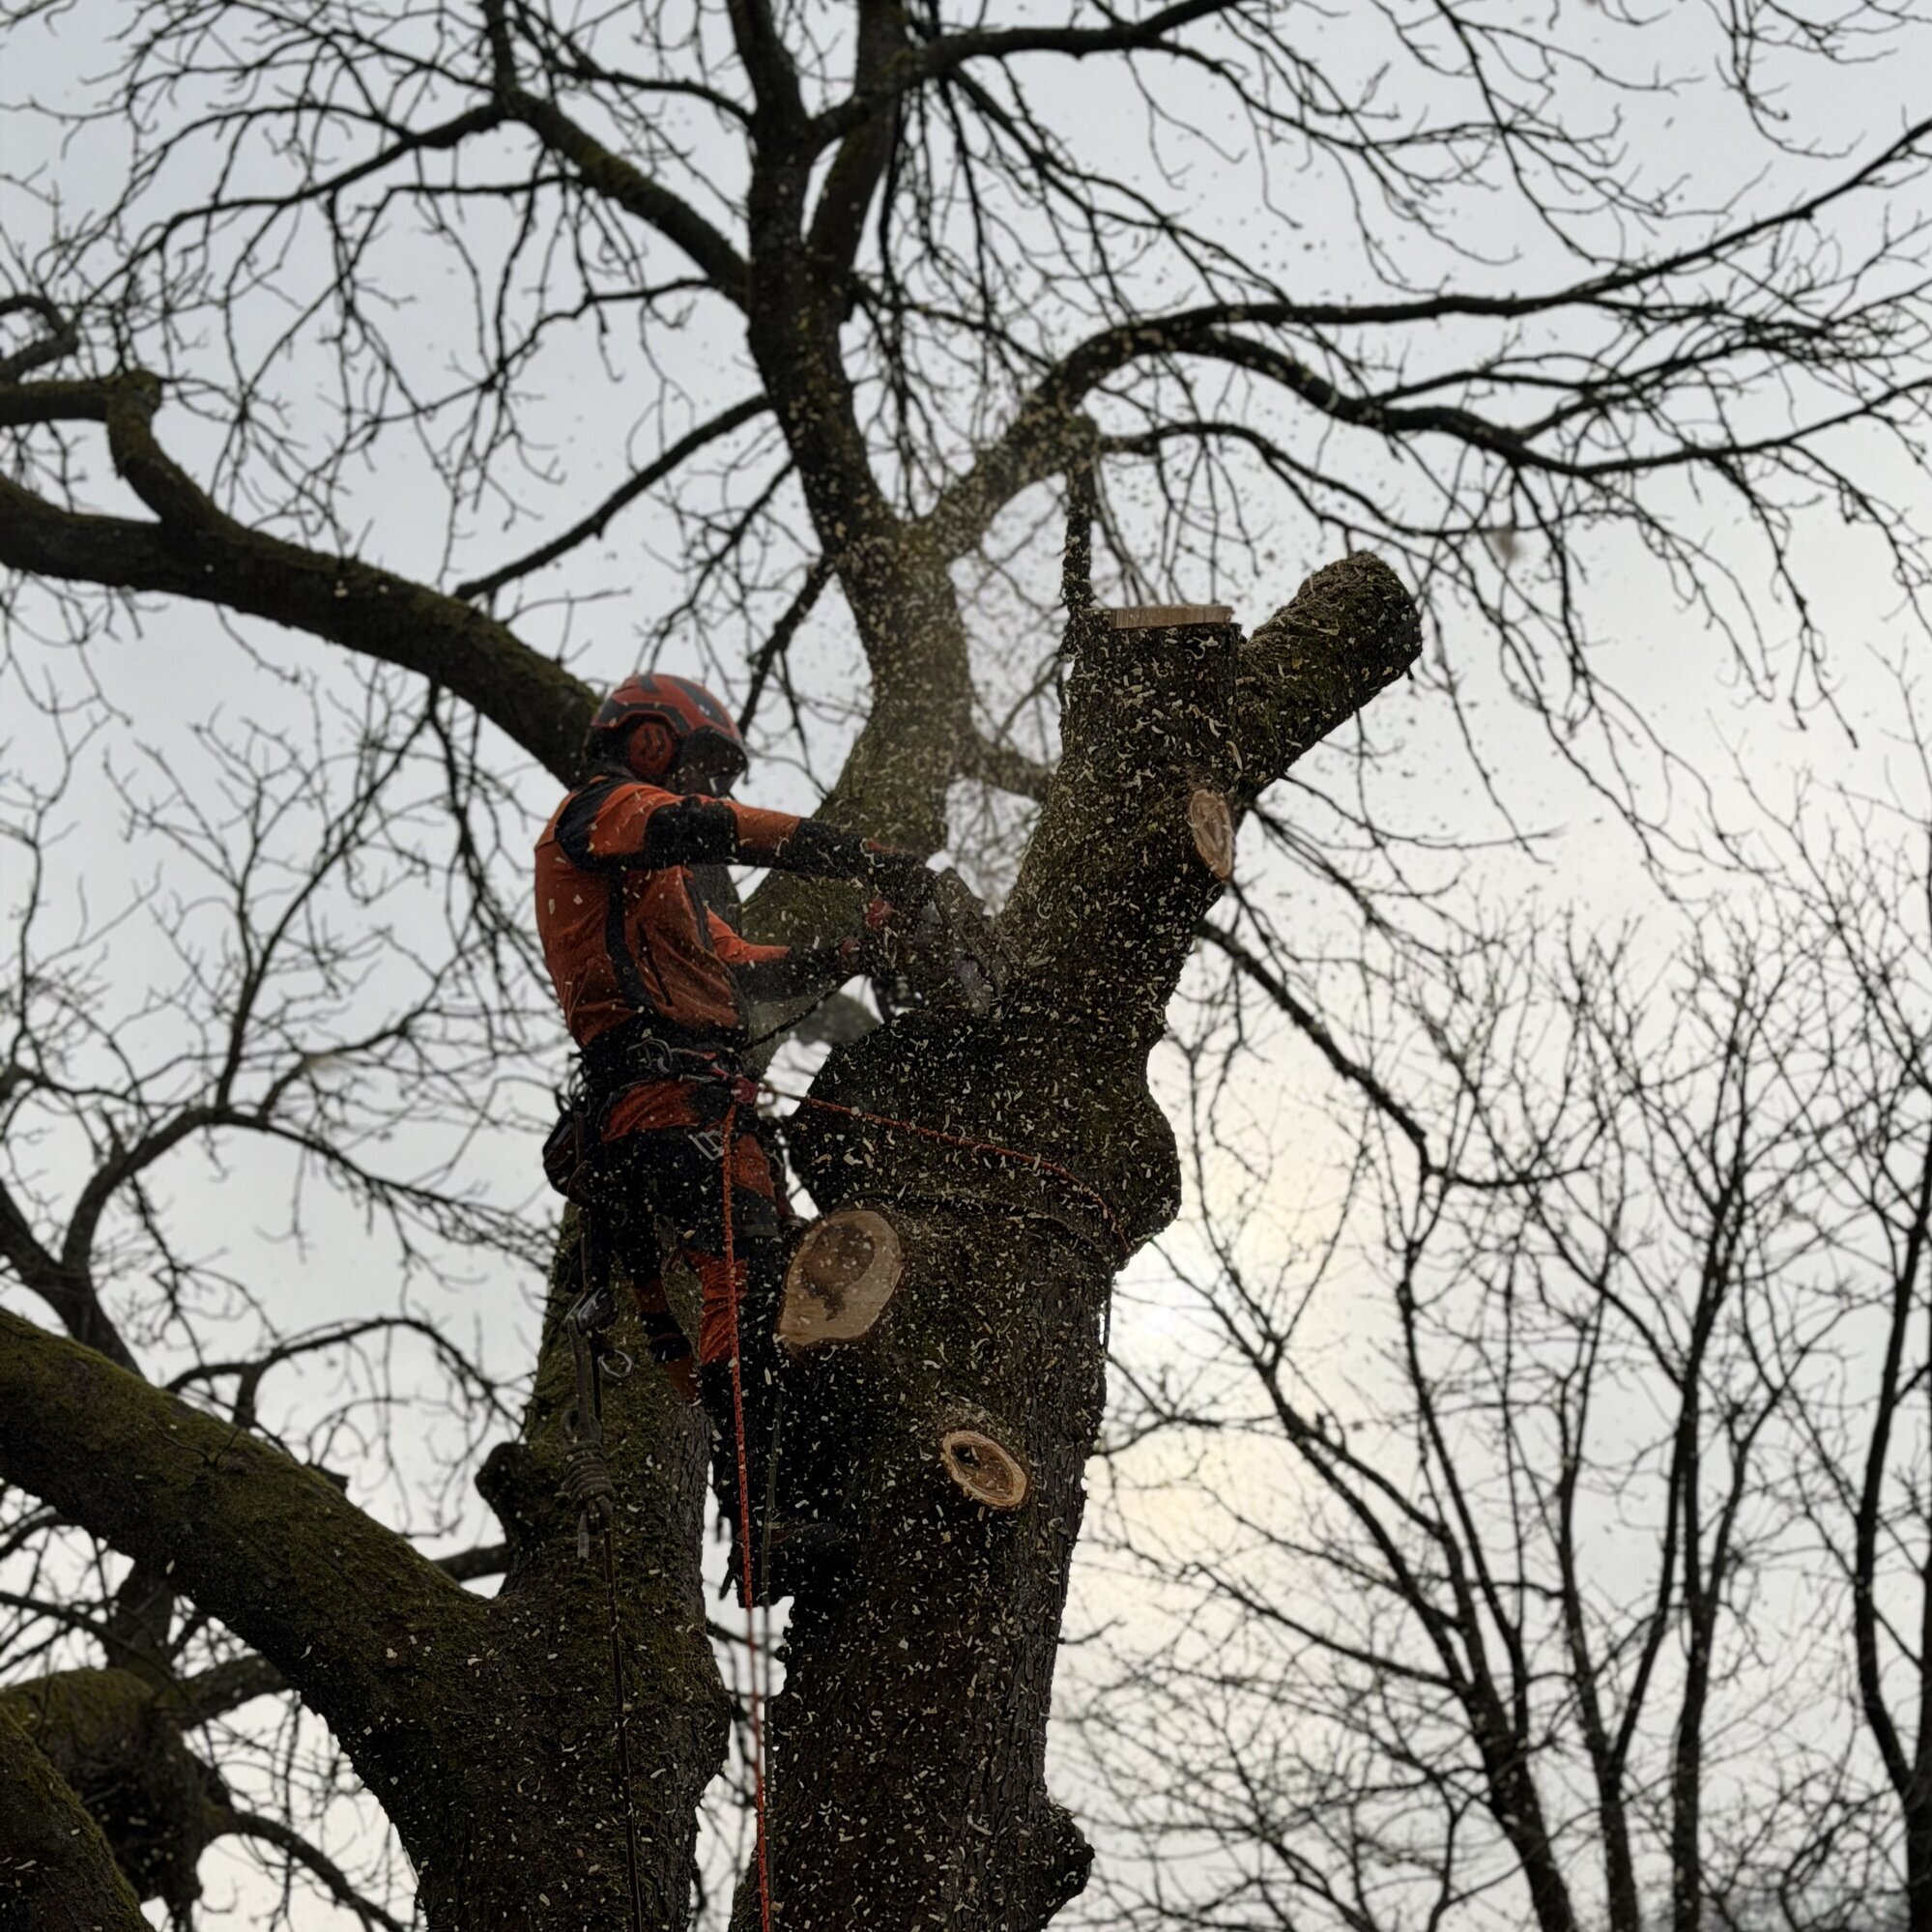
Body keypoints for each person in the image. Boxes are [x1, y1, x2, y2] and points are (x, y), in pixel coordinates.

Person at [535, 672, 931, 1596]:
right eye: (701, 768)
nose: (706, 791)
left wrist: (857, 951)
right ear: (648, 743)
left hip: (704, 1103)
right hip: (658, 1097)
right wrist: (865, 858)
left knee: (784, 1290)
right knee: (744, 1281)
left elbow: (745, 967)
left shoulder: (667, 890)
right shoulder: (605, 810)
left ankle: (799, 1496)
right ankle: (763, 1522)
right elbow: (717, 828)